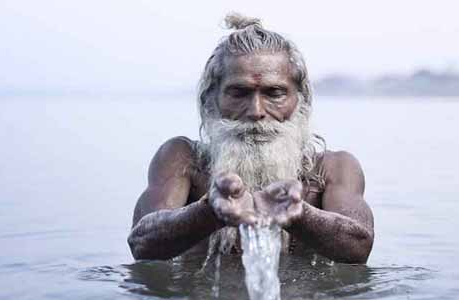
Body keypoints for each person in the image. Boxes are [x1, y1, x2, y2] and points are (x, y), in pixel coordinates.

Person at [127, 13, 374, 263]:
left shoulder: (334, 168)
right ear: (211, 99)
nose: (256, 111)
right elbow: (141, 242)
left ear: (301, 100)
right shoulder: (182, 159)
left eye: (274, 93)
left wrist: (301, 215)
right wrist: (208, 212)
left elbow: (359, 246)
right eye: (239, 93)